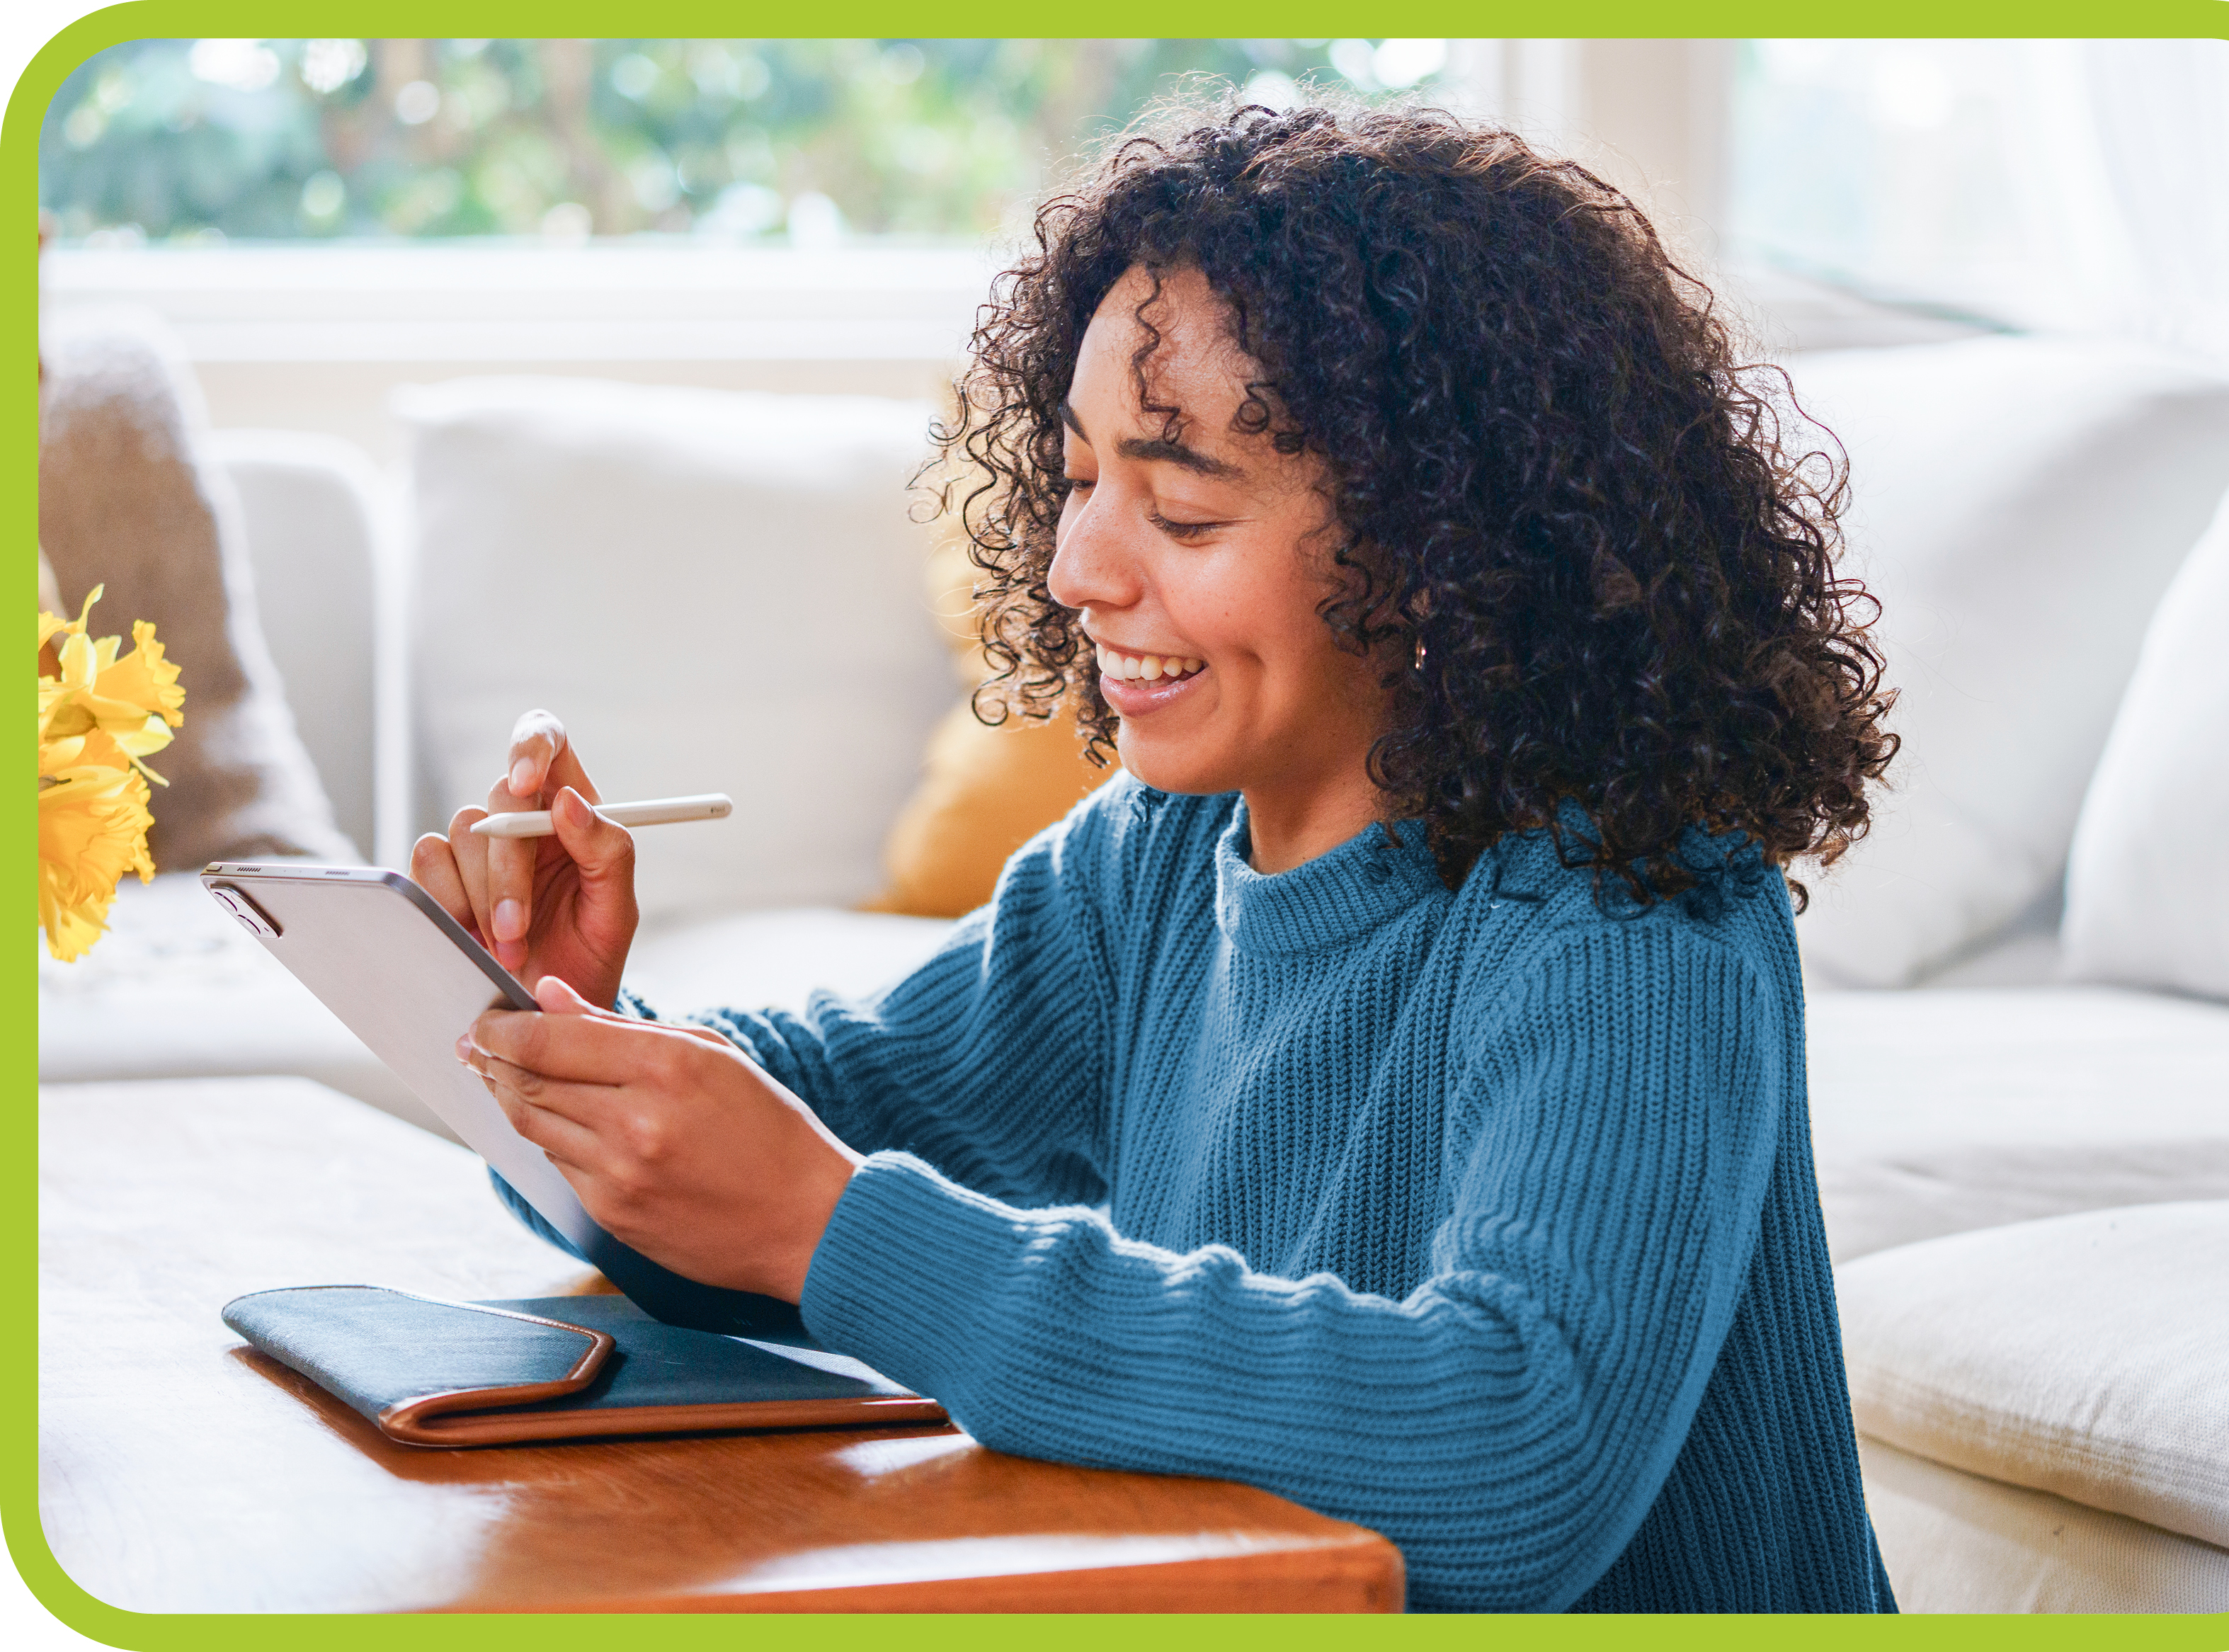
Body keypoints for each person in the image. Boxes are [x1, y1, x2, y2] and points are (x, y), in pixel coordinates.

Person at [420, 97, 1900, 1613]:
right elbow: (817, 1124)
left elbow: (1511, 1450)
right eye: (1073, 481)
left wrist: (826, 1224)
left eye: (1180, 506)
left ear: (1447, 548)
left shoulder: (1629, 907)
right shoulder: (1150, 860)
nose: (1075, 570)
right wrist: (573, 1029)